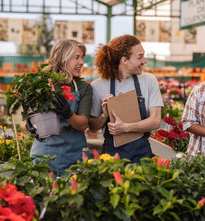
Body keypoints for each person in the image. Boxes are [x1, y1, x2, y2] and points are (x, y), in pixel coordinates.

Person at [21, 39, 92, 175]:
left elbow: (83, 124)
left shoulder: (84, 87)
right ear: (62, 59)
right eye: (76, 58)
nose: (82, 62)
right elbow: (23, 121)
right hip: (43, 155)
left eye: (82, 58)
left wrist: (68, 114)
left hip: (74, 155)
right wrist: (29, 125)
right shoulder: (39, 85)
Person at [89, 34, 163, 163]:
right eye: (140, 57)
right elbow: (93, 128)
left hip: (143, 153)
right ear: (124, 60)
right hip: (111, 155)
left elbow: (155, 121)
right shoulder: (98, 86)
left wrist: (125, 127)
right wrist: (104, 114)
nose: (144, 61)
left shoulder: (149, 80)